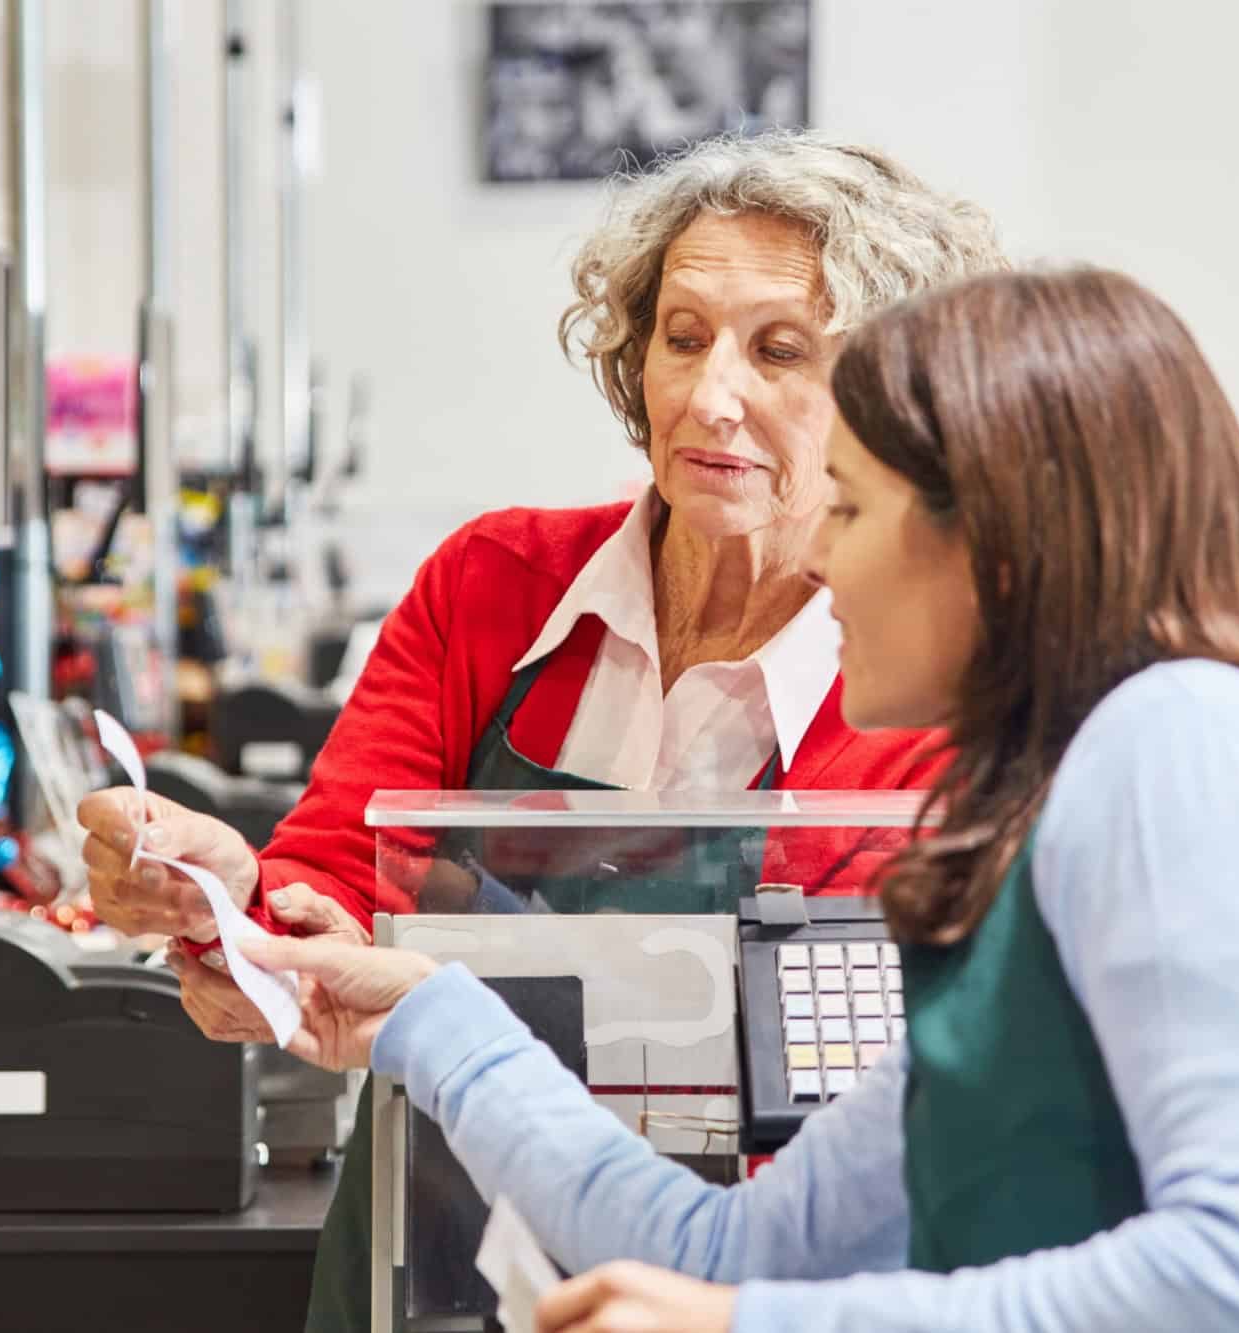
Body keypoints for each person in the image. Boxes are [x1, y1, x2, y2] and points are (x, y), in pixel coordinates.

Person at [229, 268, 1239, 1332]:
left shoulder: (1183, 745)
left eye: (850, 505)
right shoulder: (1051, 821)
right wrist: (432, 1021)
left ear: (991, 544)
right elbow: (724, 1248)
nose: (821, 554)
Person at [76, 130, 1009, 1333]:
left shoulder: (920, 692)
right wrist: (228, 902)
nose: (707, 392)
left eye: (779, 350)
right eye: (680, 337)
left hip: (720, 1281)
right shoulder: (493, 585)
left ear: (886, 403)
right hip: (426, 1243)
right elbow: (330, 886)